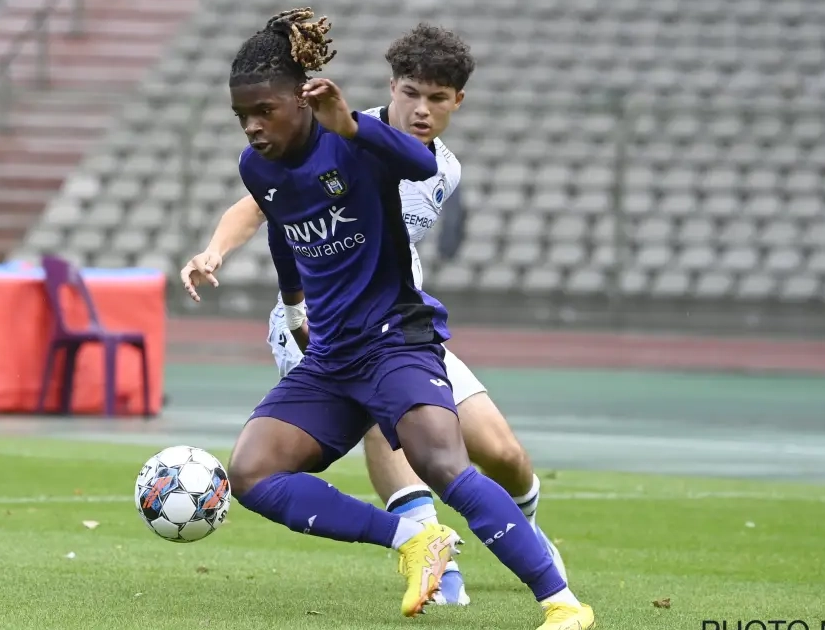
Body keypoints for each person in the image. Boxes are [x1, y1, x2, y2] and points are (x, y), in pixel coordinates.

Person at [217, 9, 593, 629]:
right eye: (242, 116)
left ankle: (563, 604)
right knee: (252, 473)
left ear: (302, 101)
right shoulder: (256, 166)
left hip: (395, 341)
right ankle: (414, 539)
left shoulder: (356, 139)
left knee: (447, 464)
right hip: (331, 355)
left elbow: (422, 166)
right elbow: (281, 228)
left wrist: (351, 126)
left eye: (264, 111)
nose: (253, 126)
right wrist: (293, 306)